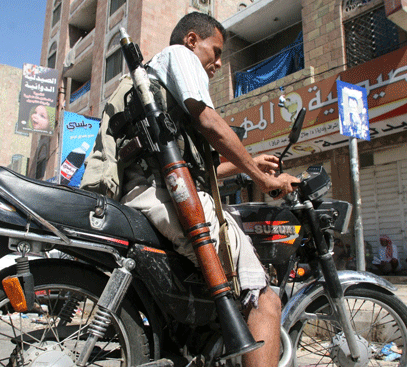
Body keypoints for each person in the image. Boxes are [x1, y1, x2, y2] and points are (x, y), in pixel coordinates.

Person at [81, 12, 299, 367]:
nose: (217, 63)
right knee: (262, 298)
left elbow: (192, 165)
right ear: (192, 40)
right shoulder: (179, 57)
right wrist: (267, 182)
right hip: (168, 196)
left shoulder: (156, 79)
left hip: (149, 192)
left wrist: (251, 163)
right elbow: (210, 123)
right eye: (215, 51)